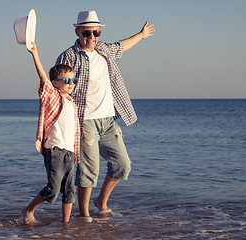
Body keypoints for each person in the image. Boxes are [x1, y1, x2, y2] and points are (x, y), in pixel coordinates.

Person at [55, 11, 155, 220]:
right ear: (78, 31)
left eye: (96, 32)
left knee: (122, 164)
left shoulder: (104, 50)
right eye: (87, 32)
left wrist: (141, 35)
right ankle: (84, 215)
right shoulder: (68, 56)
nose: (92, 37)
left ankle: (101, 201)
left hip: (108, 120)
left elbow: (122, 46)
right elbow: (57, 87)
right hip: (85, 121)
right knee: (89, 171)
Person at [21, 41, 80, 224]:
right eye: (66, 81)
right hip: (54, 150)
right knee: (53, 188)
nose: (71, 84)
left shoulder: (72, 103)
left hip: (69, 152)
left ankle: (65, 224)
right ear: (55, 83)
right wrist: (35, 54)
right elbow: (43, 78)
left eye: (73, 80)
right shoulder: (52, 96)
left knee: (70, 190)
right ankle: (29, 209)